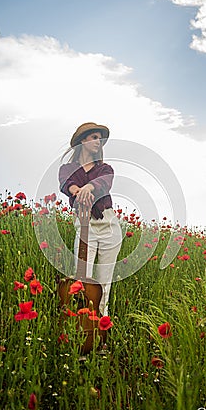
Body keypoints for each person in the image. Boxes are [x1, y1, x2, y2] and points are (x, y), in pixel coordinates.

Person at [58, 122, 122, 316]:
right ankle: (82, 325)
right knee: (82, 278)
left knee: (104, 283)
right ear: (82, 140)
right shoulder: (67, 168)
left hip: (108, 226)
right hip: (85, 226)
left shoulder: (105, 168)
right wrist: (77, 190)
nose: (98, 142)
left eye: (100, 139)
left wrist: (88, 187)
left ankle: (101, 331)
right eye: (94, 137)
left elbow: (104, 183)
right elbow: (66, 184)